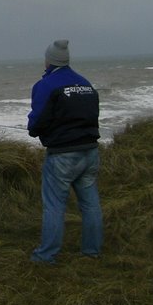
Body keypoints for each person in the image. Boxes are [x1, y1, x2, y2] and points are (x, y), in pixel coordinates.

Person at [26, 39, 103, 264]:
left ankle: (46, 256)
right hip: (90, 152)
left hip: (62, 155)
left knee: (54, 206)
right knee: (90, 205)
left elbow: (36, 122)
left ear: (49, 61)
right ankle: (92, 251)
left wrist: (34, 129)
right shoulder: (86, 84)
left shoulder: (46, 85)